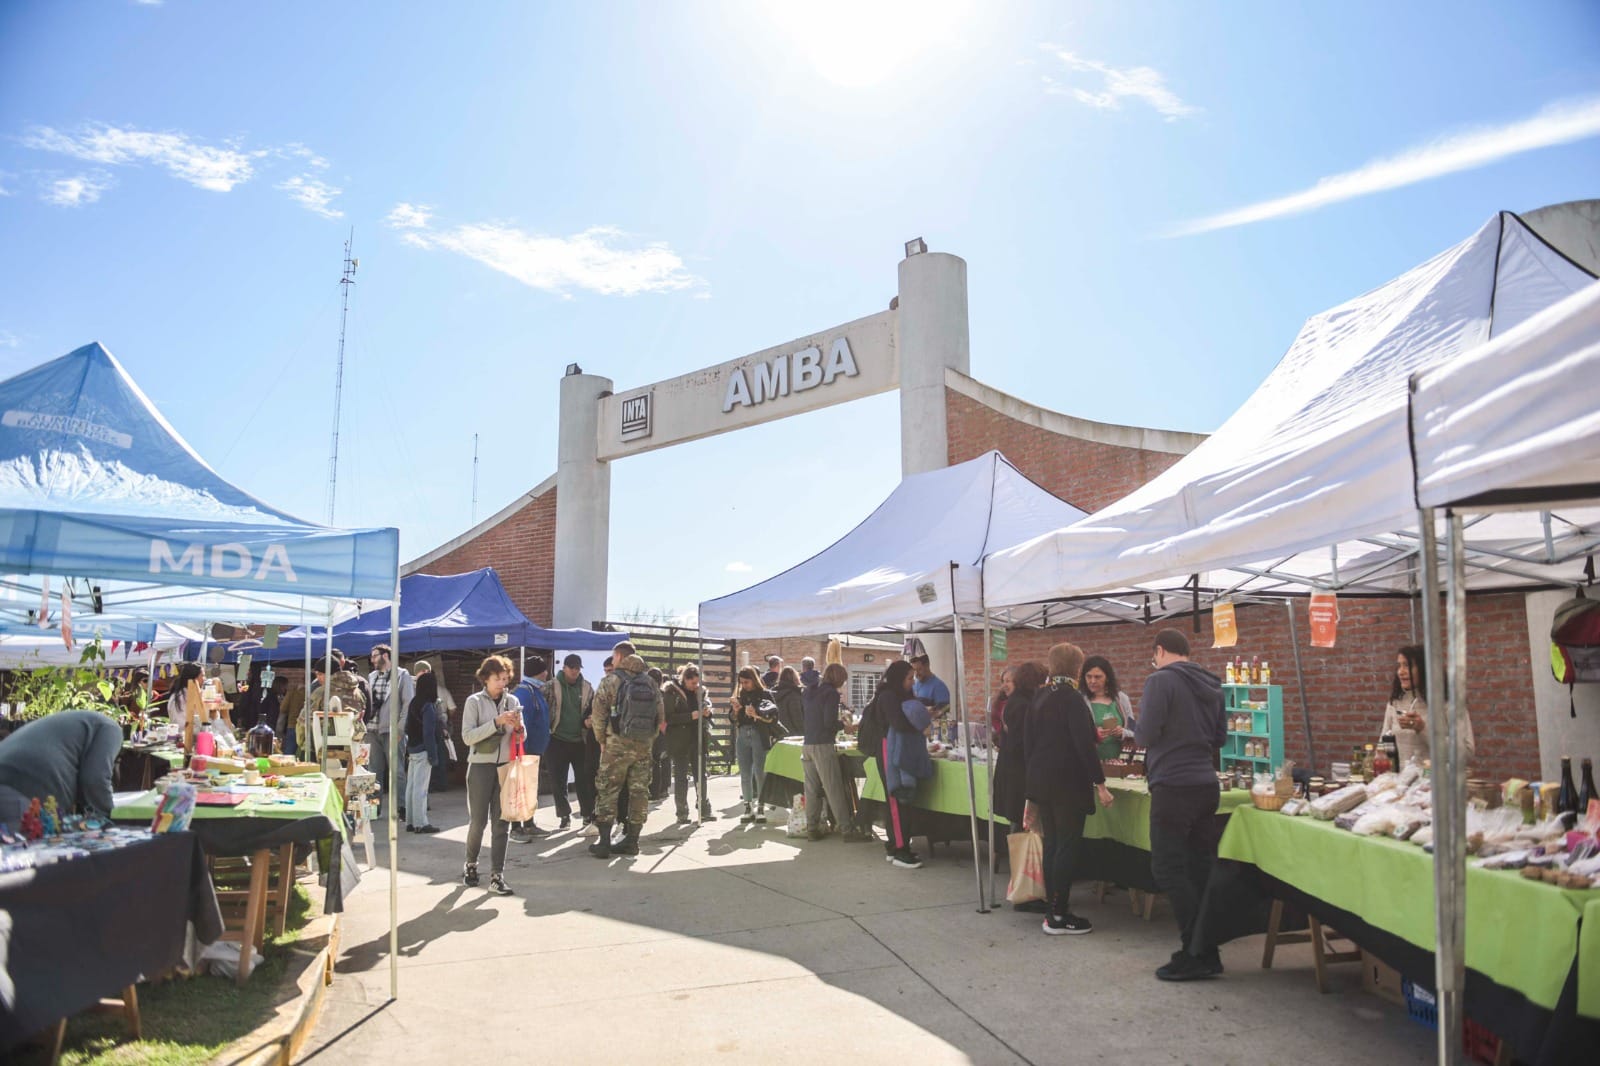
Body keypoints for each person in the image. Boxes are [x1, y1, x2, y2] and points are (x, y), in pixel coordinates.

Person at [1136, 628, 1227, 981]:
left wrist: (1138, 726)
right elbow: (1220, 737)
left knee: (1168, 868)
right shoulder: (1212, 684)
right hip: (1206, 783)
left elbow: (1145, 735)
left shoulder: (1160, 681)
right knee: (1199, 869)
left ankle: (1194, 951)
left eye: (1153, 656)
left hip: (1173, 784)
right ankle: (1208, 951)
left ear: (1160, 651)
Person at [1024, 644, 1112, 936]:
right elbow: (1084, 745)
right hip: (1067, 784)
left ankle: (1053, 908)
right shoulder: (1072, 699)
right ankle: (1059, 914)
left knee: (1052, 844)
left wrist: (1031, 789)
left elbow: (1028, 743)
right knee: (1066, 846)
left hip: (1042, 782)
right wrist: (1100, 784)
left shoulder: (1038, 697)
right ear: (1077, 668)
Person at [589, 642, 663, 859]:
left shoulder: (610, 681)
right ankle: (632, 841)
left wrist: (602, 740)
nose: (612, 661)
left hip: (616, 746)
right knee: (639, 791)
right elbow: (660, 716)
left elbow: (598, 715)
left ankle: (603, 842)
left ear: (620, 657)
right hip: (643, 745)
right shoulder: (650, 682)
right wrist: (648, 739)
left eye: (613, 657)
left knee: (607, 789)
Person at [460, 654, 521, 895]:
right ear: (486, 678)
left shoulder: (513, 701)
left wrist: (518, 728)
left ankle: (497, 875)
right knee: (478, 821)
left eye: (505, 679)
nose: (502, 684)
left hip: (506, 766)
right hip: (480, 766)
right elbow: (467, 737)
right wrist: (496, 722)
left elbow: (519, 738)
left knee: (502, 822)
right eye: (498, 678)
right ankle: (471, 864)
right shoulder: (474, 701)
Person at [856, 659, 923, 868]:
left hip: (896, 749)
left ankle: (896, 845)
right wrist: (922, 722)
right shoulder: (887, 697)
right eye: (909, 678)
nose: (913, 682)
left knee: (900, 799)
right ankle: (899, 850)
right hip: (888, 749)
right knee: (896, 798)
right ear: (898, 678)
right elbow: (899, 723)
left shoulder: (893, 695)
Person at [0, 710, 122, 817]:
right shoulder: (111, 729)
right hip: (26, 785)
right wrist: (111, 818)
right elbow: (95, 780)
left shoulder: (81, 722)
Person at [1379, 644, 1472, 766]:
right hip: (1401, 782)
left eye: (1407, 665)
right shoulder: (1395, 703)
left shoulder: (1449, 704)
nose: (1400, 672)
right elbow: (1382, 747)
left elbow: (1466, 753)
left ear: (1425, 669)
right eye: (1399, 666)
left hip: (1437, 782)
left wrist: (1423, 729)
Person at [801, 662, 860, 841]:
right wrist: (845, 726)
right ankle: (847, 830)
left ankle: (812, 828)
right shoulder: (831, 693)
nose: (843, 684)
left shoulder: (809, 691)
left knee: (811, 789)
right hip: (823, 745)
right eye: (843, 680)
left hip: (808, 743)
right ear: (839, 678)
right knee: (833, 788)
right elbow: (829, 723)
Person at [543, 654, 596, 830]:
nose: (574, 670)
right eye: (571, 667)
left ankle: (587, 814)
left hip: (580, 740)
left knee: (584, 780)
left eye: (577, 667)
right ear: (564, 667)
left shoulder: (587, 688)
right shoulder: (551, 686)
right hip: (556, 739)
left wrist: (589, 720)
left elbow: (593, 709)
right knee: (558, 781)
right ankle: (564, 816)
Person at [661, 663, 714, 824]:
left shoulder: (701, 692)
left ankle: (704, 809)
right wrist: (691, 716)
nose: (695, 686)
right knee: (681, 777)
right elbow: (668, 718)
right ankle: (682, 812)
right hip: (679, 741)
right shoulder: (671, 692)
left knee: (701, 776)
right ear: (685, 679)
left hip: (698, 739)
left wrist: (707, 712)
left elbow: (708, 710)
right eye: (692, 683)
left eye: (698, 683)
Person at [993, 663, 1040, 839]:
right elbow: (1019, 743)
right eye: (1003, 681)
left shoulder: (1016, 703)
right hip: (1018, 771)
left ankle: (1018, 860)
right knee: (1020, 820)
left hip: (1012, 770)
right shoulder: (1021, 704)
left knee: (1018, 819)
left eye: (1009, 681)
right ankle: (1020, 862)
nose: (1005, 685)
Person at [368, 644, 414, 821]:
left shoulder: (402, 675)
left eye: (374, 656)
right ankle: (373, 808)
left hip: (392, 729)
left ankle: (402, 807)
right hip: (372, 729)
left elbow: (408, 703)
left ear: (385, 656)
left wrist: (401, 728)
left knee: (397, 771)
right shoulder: (371, 676)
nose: (372, 660)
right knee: (373, 771)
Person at [510, 657, 553, 842]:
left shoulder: (535, 691)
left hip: (534, 750)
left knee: (530, 789)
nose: (547, 673)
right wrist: (521, 751)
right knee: (519, 788)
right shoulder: (524, 693)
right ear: (539, 672)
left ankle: (529, 823)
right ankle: (515, 828)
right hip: (524, 751)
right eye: (544, 670)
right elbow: (521, 724)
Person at [730, 666, 778, 824]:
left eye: (747, 682)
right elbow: (733, 719)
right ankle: (748, 806)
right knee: (744, 773)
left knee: (760, 772)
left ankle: (761, 807)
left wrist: (757, 715)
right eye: (742, 682)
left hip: (759, 733)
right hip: (743, 733)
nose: (744, 685)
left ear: (754, 680)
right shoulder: (739, 695)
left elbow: (774, 718)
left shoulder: (765, 694)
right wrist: (736, 711)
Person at [404, 671, 442, 834]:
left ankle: (410, 821)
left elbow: (406, 727)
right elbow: (428, 733)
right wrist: (433, 754)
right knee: (421, 789)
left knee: (411, 787)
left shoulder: (414, 702)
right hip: (423, 750)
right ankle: (421, 823)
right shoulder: (428, 706)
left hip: (412, 748)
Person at [1081, 656, 1135, 761]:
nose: (1092, 681)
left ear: (1107, 677)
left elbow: (1134, 731)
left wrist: (1122, 732)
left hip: (1120, 761)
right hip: (1092, 761)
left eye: (1097, 677)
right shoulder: (1081, 700)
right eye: (1089, 676)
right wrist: (1094, 735)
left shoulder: (1122, 699)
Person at [773, 665, 805, 737]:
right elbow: (797, 717)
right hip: (794, 735)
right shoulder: (794, 695)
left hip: (779, 732)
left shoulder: (774, 693)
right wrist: (803, 733)